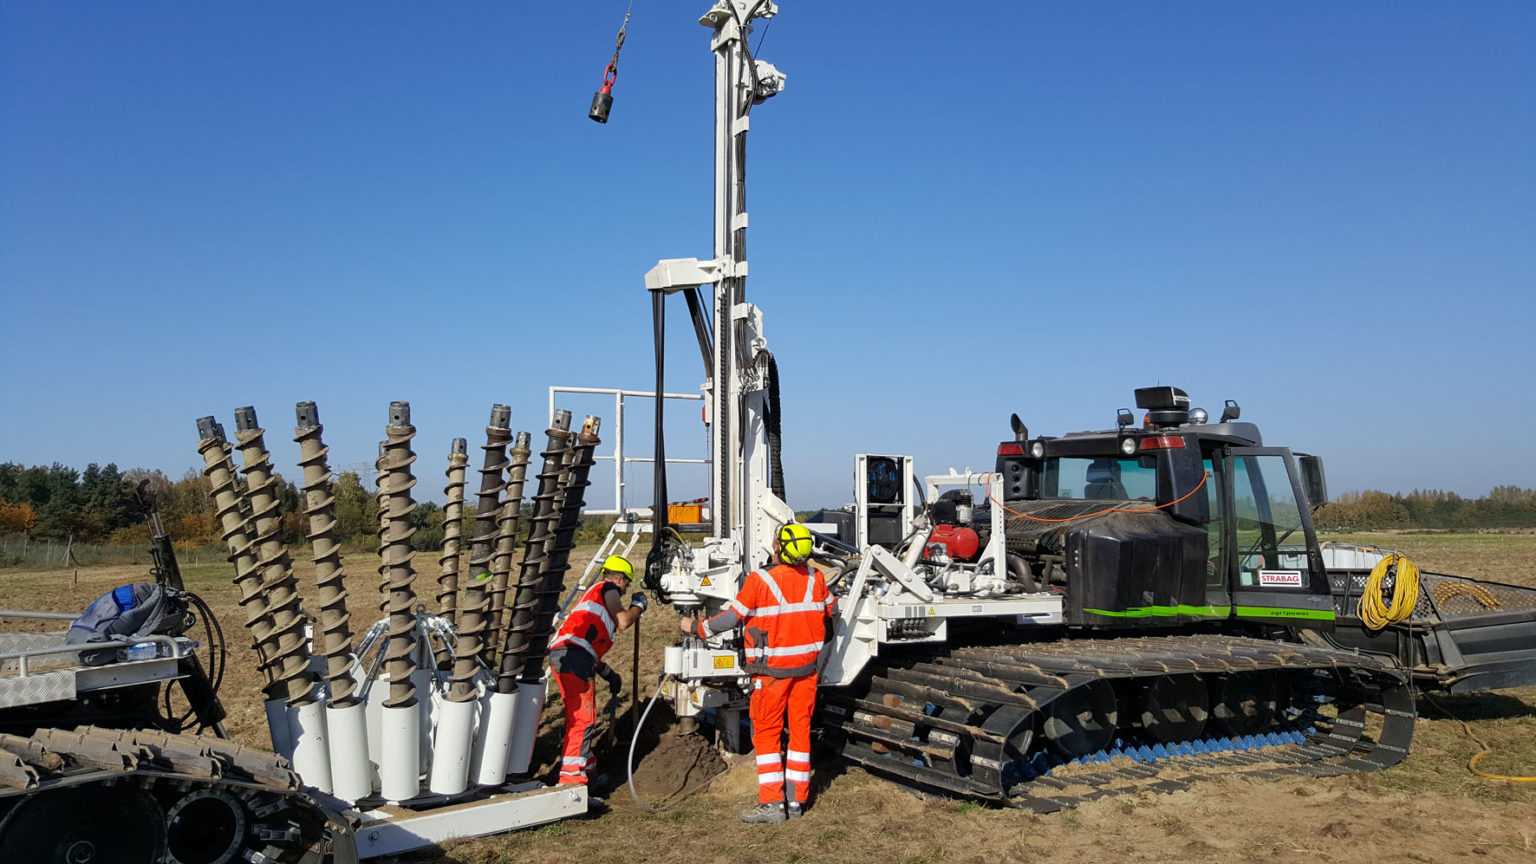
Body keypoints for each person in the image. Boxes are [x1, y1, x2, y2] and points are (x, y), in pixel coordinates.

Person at [680, 523, 833, 823]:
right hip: (806, 672)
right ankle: (796, 800)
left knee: (766, 734)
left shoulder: (760, 579)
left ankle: (773, 804)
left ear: (777, 548)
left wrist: (697, 628)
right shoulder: (817, 578)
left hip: (771, 674)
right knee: (800, 732)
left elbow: (731, 619)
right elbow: (831, 612)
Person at [548, 554, 648, 790]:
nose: (624, 591)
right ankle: (571, 781)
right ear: (620, 579)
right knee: (582, 718)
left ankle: (588, 773)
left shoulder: (594, 600)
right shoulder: (607, 588)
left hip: (570, 656)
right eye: (626, 585)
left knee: (581, 715)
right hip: (573, 657)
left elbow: (588, 644)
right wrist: (638, 607)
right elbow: (623, 621)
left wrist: (607, 672)